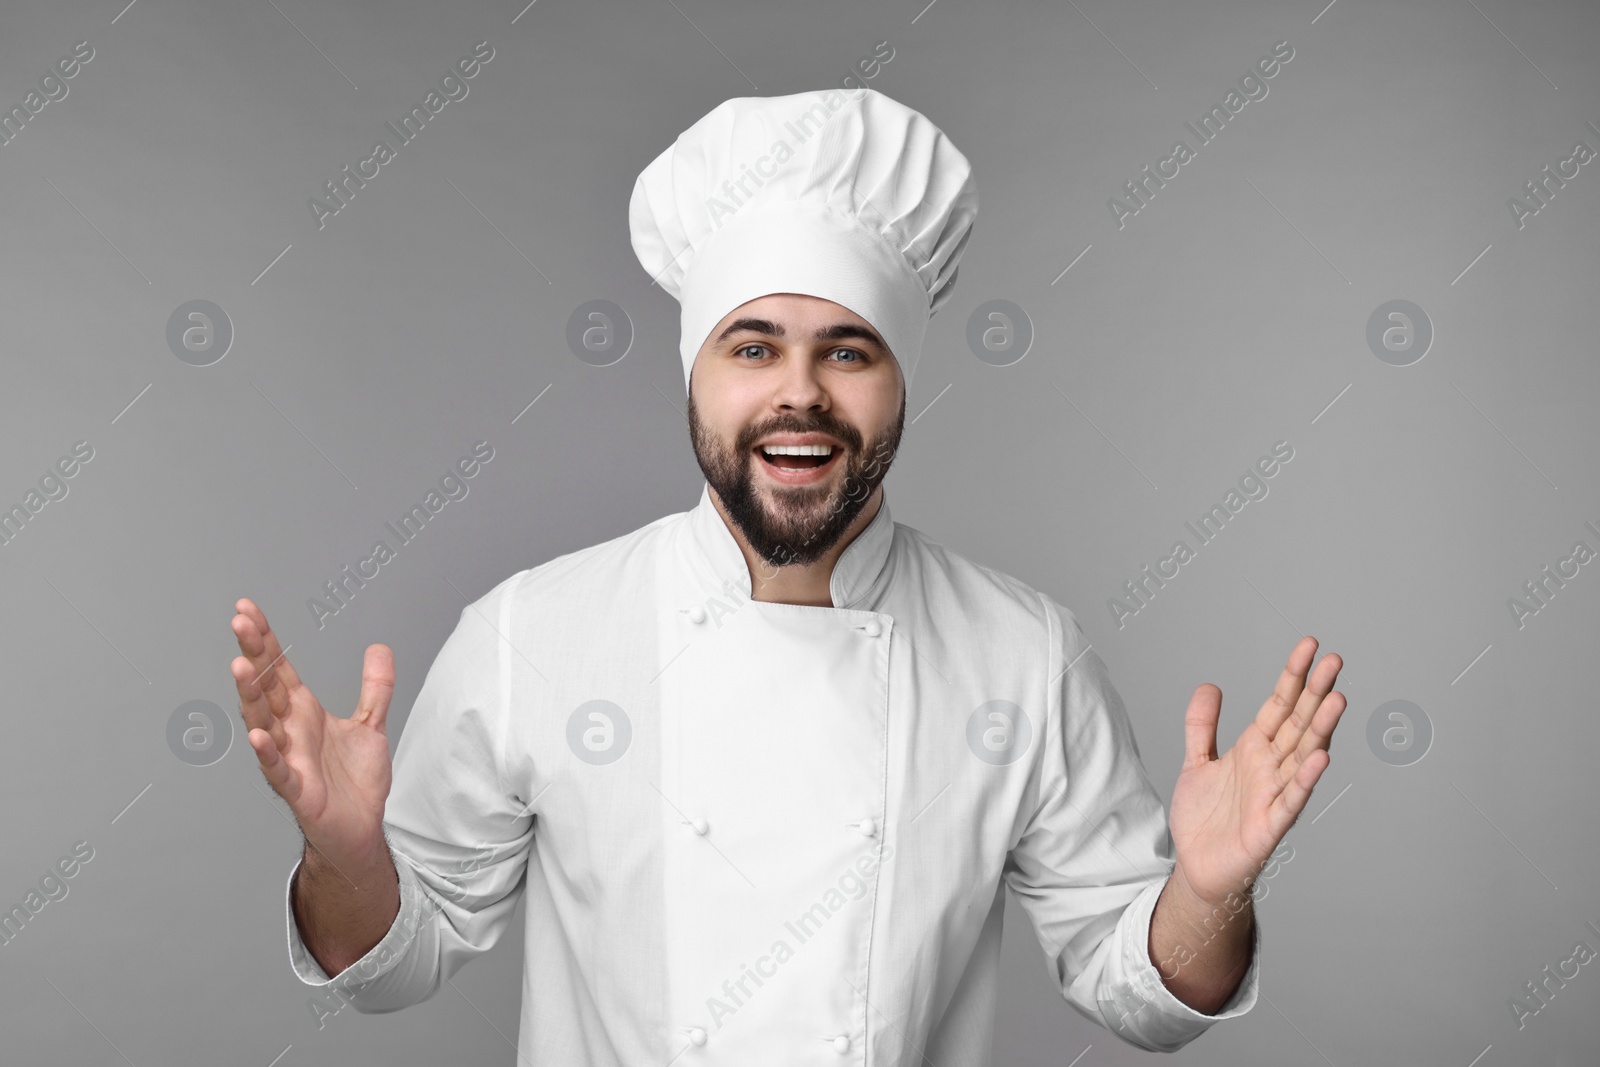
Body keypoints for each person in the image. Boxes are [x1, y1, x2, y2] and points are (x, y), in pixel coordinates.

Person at [230, 86, 1347, 1064]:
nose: (799, 393)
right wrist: (343, 855)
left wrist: (1208, 892)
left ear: (902, 380)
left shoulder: (1024, 654)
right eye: (753, 344)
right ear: (695, 374)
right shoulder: (536, 633)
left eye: (847, 349)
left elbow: (1139, 995)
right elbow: (389, 963)